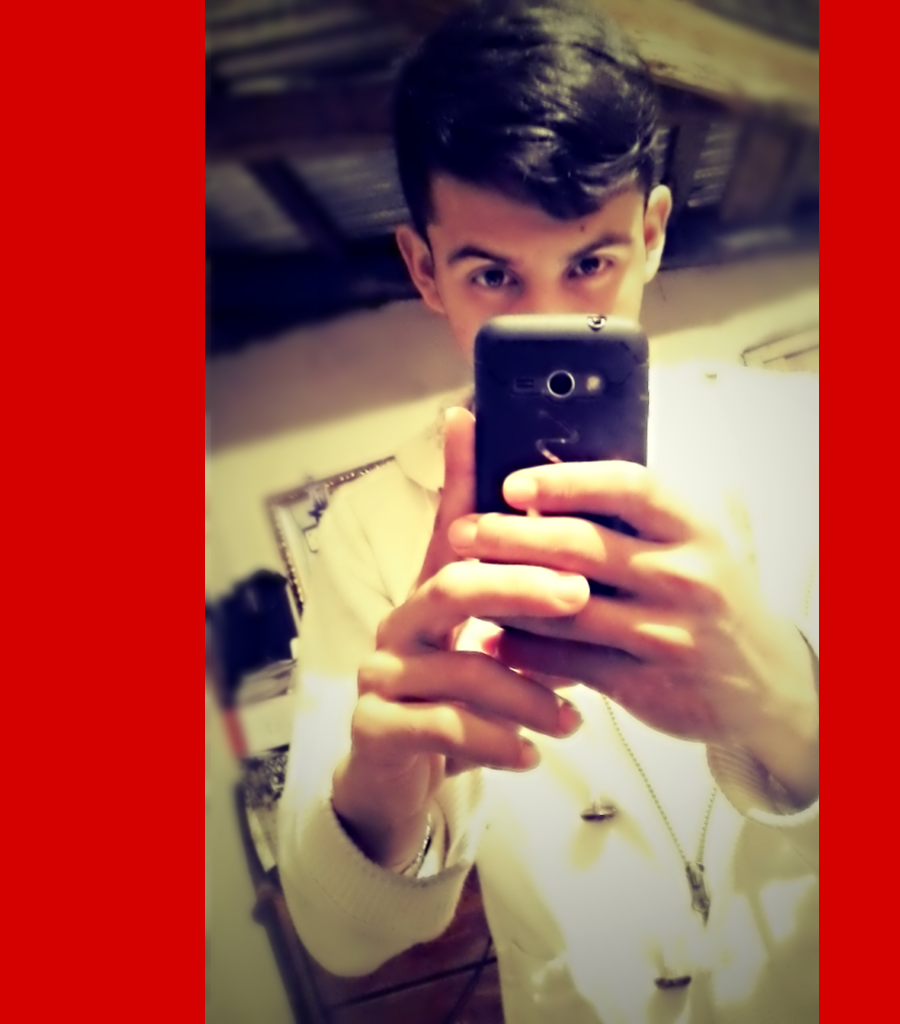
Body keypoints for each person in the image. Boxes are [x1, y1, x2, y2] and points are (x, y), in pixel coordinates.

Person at [278, 2, 818, 1021]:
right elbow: (340, 940)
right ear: (424, 269)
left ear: (651, 233)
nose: (550, 320)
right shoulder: (367, 529)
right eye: (492, 273)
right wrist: (380, 784)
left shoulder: (807, 437)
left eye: (589, 263)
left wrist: (786, 698)